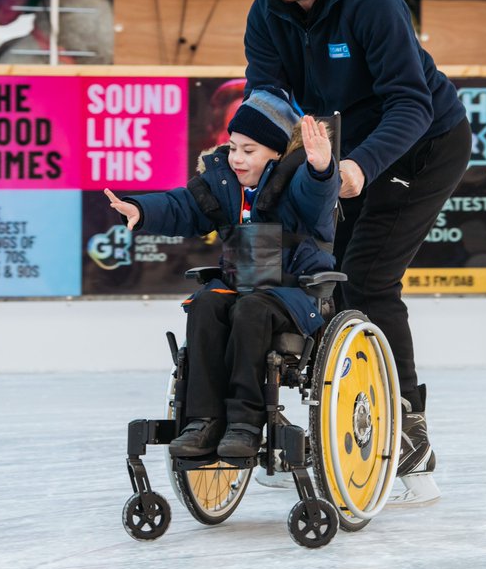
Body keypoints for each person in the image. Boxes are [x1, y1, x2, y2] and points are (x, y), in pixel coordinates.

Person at [244, 0, 471, 498]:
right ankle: (328, 420)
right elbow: (268, 101)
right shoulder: (266, 16)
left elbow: (411, 102)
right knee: (322, 278)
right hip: (339, 156)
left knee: (368, 280)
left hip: (423, 145)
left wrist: (359, 167)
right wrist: (243, 156)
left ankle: (411, 437)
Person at [105, 87, 339, 459]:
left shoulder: (297, 181)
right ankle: (203, 421)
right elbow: (182, 205)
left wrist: (321, 168)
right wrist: (141, 209)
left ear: (277, 153)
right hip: (240, 281)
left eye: (249, 151)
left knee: (251, 310)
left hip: (292, 293)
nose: (237, 159)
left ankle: (245, 423)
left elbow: (317, 197)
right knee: (206, 303)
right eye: (233, 147)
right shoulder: (223, 183)